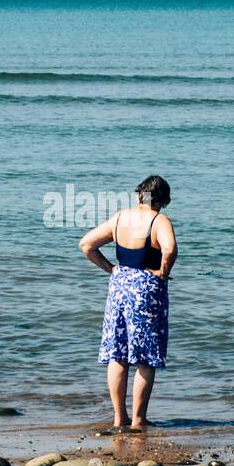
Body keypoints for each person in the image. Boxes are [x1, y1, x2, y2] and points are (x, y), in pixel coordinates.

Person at [79, 176, 178, 429]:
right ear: (164, 200)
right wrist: (163, 273)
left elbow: (87, 244)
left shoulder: (121, 217)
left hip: (119, 287)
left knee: (118, 354)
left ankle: (118, 418)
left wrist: (111, 268)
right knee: (145, 357)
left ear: (139, 196)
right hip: (147, 289)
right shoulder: (159, 221)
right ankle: (138, 420)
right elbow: (169, 249)